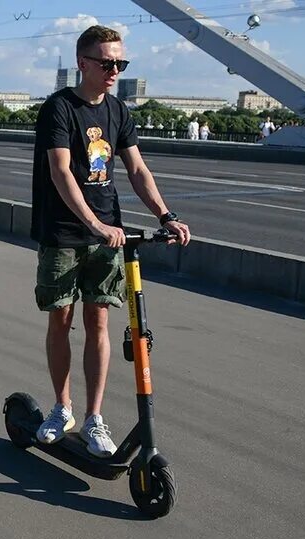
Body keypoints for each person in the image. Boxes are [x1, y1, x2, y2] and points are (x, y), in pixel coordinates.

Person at [30, 25, 191, 456]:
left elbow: (138, 170)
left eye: (121, 63)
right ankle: (61, 408)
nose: (114, 70)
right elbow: (61, 172)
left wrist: (165, 214)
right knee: (61, 320)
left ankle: (93, 418)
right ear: (82, 63)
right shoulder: (59, 109)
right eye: (106, 63)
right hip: (64, 234)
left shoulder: (118, 111)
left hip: (108, 235)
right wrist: (94, 225)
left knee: (99, 323)